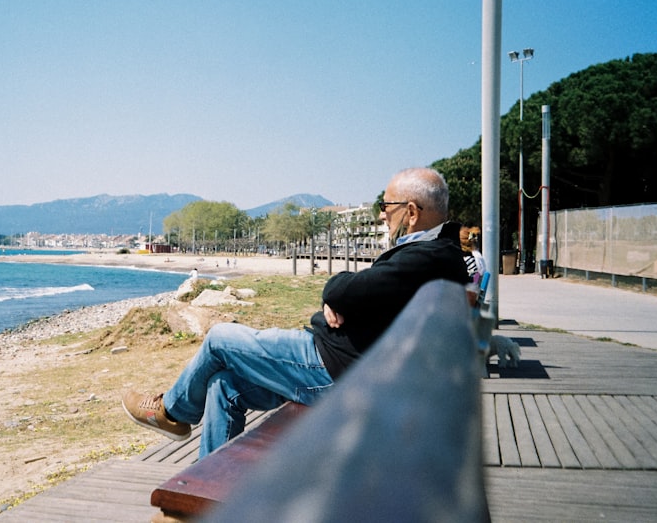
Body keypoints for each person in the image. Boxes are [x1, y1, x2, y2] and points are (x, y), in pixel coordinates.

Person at [121, 167, 470, 457]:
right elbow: (359, 291)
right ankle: (205, 496)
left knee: (219, 339)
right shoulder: (437, 255)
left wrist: (336, 297)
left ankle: (171, 412)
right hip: (356, 367)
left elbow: (344, 288)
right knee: (223, 385)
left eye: (386, 205)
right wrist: (341, 298)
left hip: (335, 368)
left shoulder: (427, 257)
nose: (381, 213)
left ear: (411, 212)